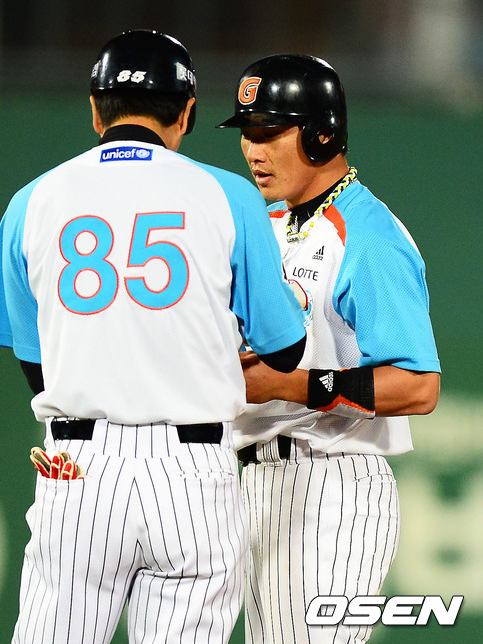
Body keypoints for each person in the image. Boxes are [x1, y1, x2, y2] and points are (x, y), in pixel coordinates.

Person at [0, 31, 307, 644]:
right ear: (186, 113)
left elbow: (36, 365)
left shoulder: (31, 201)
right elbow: (286, 350)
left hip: (78, 465)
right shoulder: (229, 196)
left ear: (95, 109)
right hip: (193, 470)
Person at [217, 54, 440, 644]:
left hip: (331, 484)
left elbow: (418, 387)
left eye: (269, 131)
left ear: (321, 134)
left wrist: (288, 384)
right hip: (252, 481)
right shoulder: (266, 226)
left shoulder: (369, 234)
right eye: (246, 133)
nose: (253, 150)